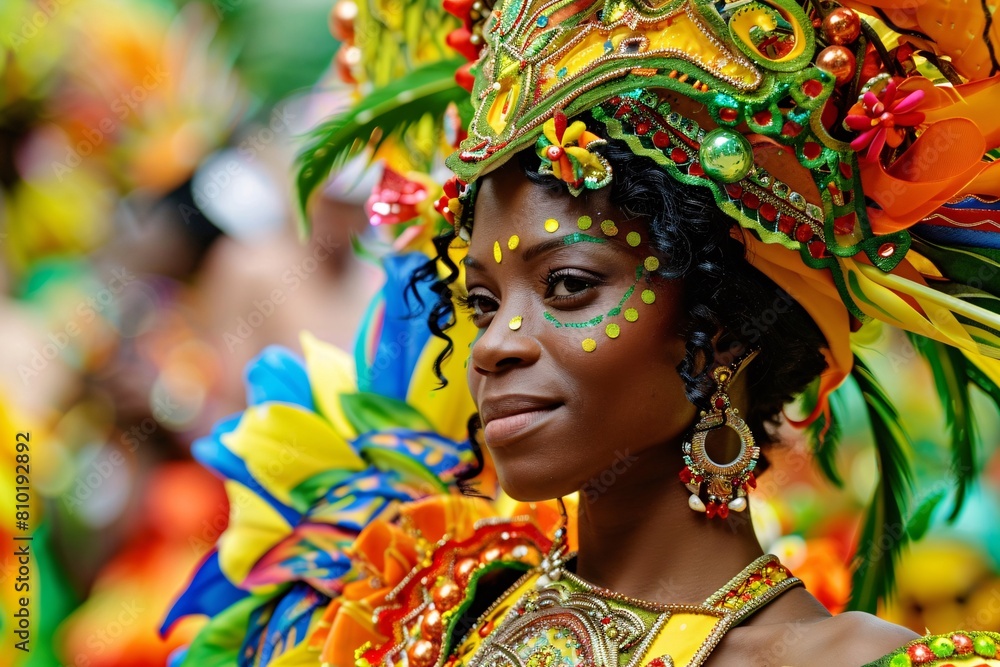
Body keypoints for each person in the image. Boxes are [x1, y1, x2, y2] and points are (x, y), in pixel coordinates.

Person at [164, 0, 1000, 664]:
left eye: (567, 286)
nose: (493, 346)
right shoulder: (412, 614)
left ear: (722, 331)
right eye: (484, 302)